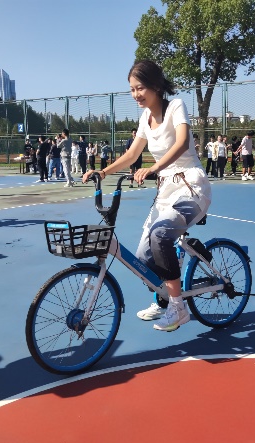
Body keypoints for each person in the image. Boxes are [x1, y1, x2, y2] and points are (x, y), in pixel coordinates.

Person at [83, 59, 211, 332]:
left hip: (191, 187)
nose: (136, 94)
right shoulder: (145, 119)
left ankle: (178, 308)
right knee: (143, 258)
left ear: (156, 86)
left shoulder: (175, 107)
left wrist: (153, 168)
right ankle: (165, 299)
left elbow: (182, 143)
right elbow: (132, 154)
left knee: (160, 235)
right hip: (166, 192)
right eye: (132, 89)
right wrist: (102, 172)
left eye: (140, 88)